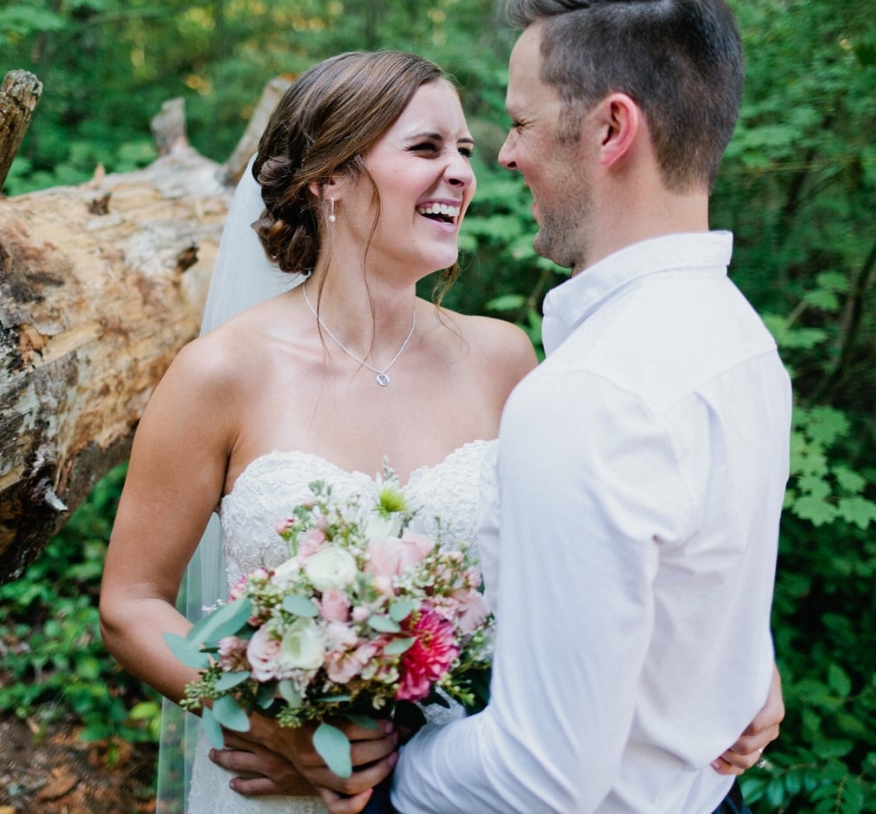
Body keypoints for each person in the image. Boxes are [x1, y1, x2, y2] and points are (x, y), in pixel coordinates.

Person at [101, 44, 782, 814]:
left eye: (463, 149)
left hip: (462, 778)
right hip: (289, 790)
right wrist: (270, 719)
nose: (463, 171)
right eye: (426, 147)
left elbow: (601, 550)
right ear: (329, 176)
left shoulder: (502, 357)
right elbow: (132, 603)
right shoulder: (219, 374)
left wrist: (737, 655)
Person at [336, 0, 792, 814]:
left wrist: (397, 771)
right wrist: (743, 670)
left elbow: (541, 776)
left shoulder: (591, 395)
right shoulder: (742, 341)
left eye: (520, 123)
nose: (503, 155)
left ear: (612, 128)